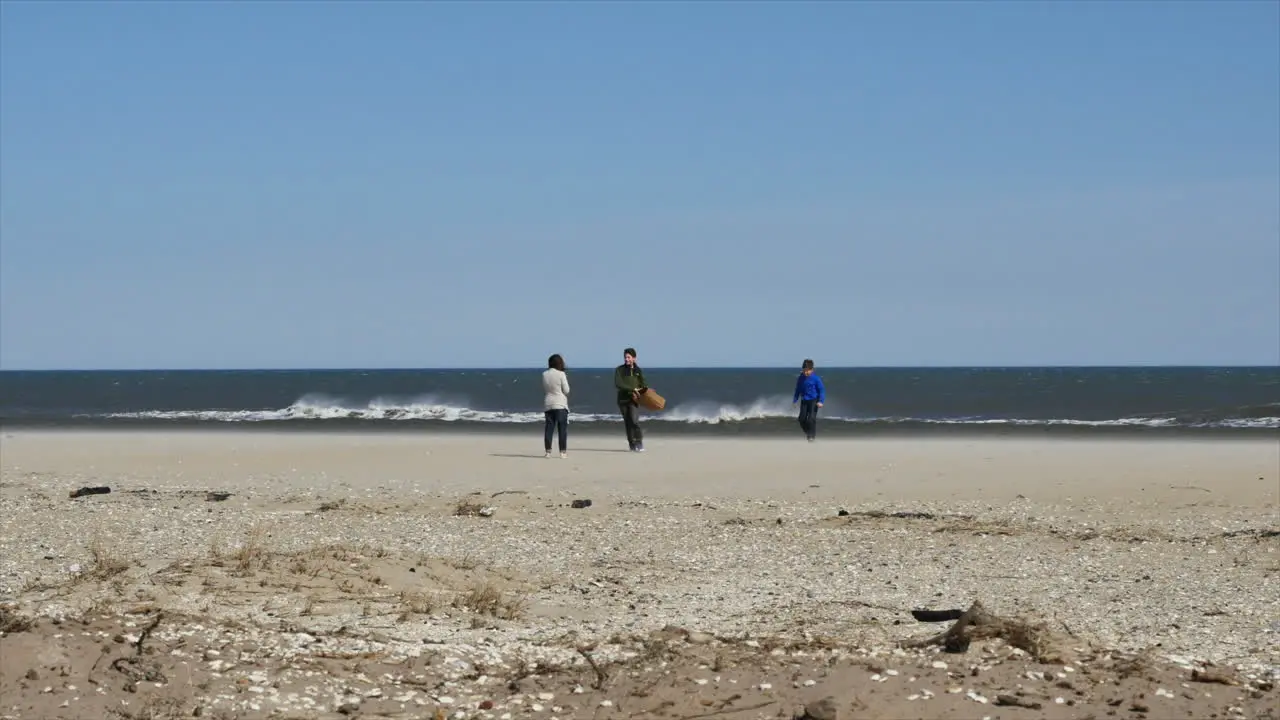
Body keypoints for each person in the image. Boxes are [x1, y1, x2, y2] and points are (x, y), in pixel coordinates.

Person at [613, 347, 649, 452]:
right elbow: (618, 384)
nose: (626, 359)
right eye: (625, 357)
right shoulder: (619, 370)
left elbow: (644, 383)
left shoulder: (638, 370)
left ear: (634, 358)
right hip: (622, 400)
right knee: (628, 423)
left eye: (629, 357)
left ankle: (639, 442)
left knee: (634, 421)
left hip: (634, 400)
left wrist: (644, 390)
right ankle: (632, 445)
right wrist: (632, 389)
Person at [542, 354, 570, 458]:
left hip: (548, 403)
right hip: (560, 404)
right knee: (562, 428)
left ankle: (548, 451)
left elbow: (545, 388)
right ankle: (562, 451)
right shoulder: (561, 374)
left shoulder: (544, 374)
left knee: (549, 428)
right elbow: (566, 390)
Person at [792, 359, 825, 441]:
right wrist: (795, 400)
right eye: (804, 370)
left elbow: (822, 390)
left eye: (808, 370)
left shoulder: (816, 379)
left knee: (811, 419)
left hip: (814, 400)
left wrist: (821, 401)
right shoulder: (800, 378)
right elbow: (798, 390)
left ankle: (812, 436)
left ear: (812, 370)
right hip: (804, 400)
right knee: (801, 419)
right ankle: (808, 433)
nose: (806, 372)